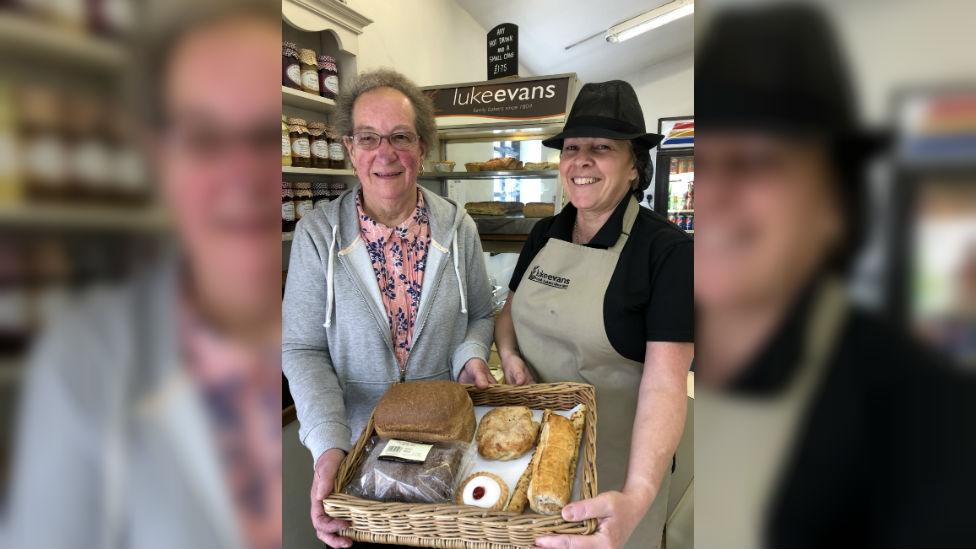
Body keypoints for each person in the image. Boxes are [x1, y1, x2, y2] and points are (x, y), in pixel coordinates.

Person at [2, 3, 283, 549]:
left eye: (266, 136)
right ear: (159, 159)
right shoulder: (84, 360)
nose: (245, 175)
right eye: (204, 139)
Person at [694, 4, 976, 547]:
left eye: (754, 161)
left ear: (834, 203)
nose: (713, 195)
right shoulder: (698, 337)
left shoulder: (923, 413)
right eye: (702, 165)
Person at [281, 68, 496, 549]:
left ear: (422, 148)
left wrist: (469, 356)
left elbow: (480, 314)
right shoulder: (318, 235)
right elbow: (302, 347)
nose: (385, 153)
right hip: (356, 455)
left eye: (400, 136)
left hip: (446, 446)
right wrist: (328, 446)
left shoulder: (459, 228)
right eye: (368, 138)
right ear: (349, 149)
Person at [490, 81, 694, 549]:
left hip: (619, 467)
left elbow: (666, 383)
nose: (580, 160)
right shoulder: (546, 232)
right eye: (572, 147)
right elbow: (509, 313)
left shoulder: (667, 252)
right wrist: (509, 353)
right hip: (536, 450)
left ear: (633, 168)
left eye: (601, 148)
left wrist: (638, 493)